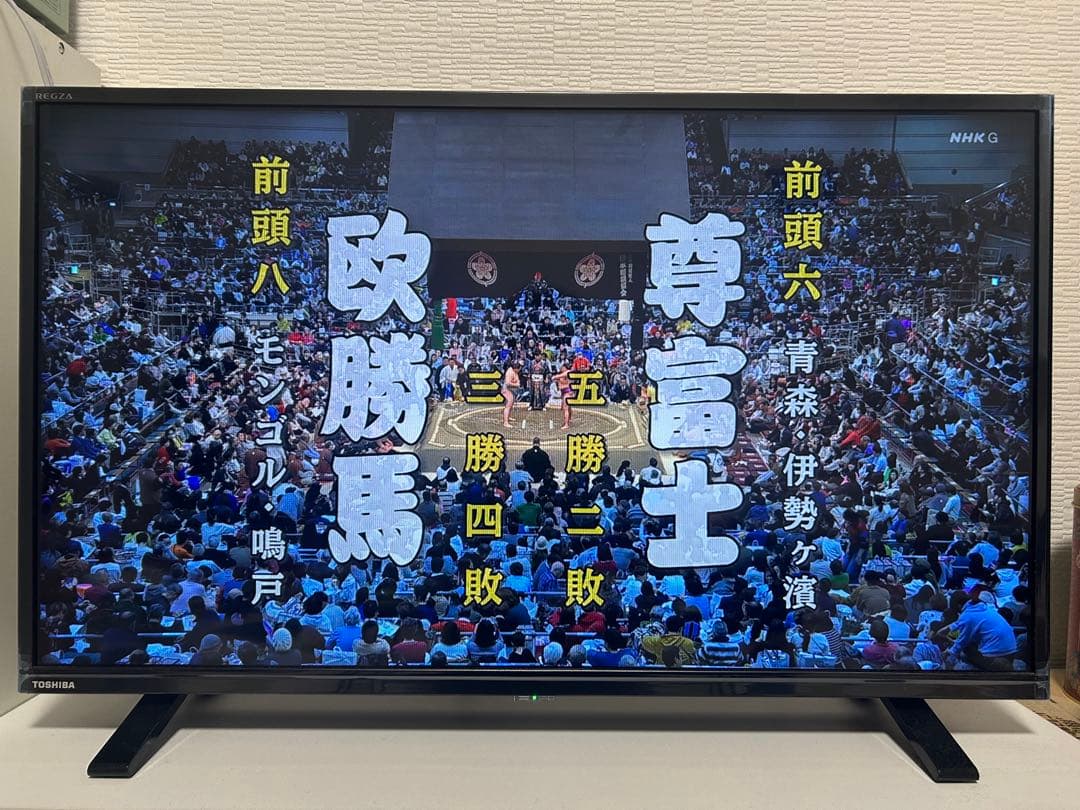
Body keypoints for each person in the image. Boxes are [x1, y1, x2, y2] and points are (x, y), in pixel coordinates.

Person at [946, 591, 1018, 671]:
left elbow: (960, 642)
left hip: (995, 656)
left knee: (966, 647)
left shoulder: (967, 615)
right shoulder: (985, 608)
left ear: (959, 606)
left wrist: (948, 653)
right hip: (1011, 651)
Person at [552, 361, 573, 430]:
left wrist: (555, 377)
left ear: (565, 367)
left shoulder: (568, 372)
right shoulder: (562, 374)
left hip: (568, 392)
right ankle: (569, 419)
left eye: (562, 367)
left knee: (566, 408)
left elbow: (557, 377)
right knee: (568, 408)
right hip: (564, 392)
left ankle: (566, 424)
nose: (561, 368)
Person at [501, 361, 520, 428]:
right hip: (506, 389)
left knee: (511, 404)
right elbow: (507, 383)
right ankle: (505, 422)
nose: (519, 370)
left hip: (511, 390)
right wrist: (516, 384)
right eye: (519, 368)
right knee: (508, 405)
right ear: (515, 368)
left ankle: (508, 417)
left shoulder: (514, 371)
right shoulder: (510, 372)